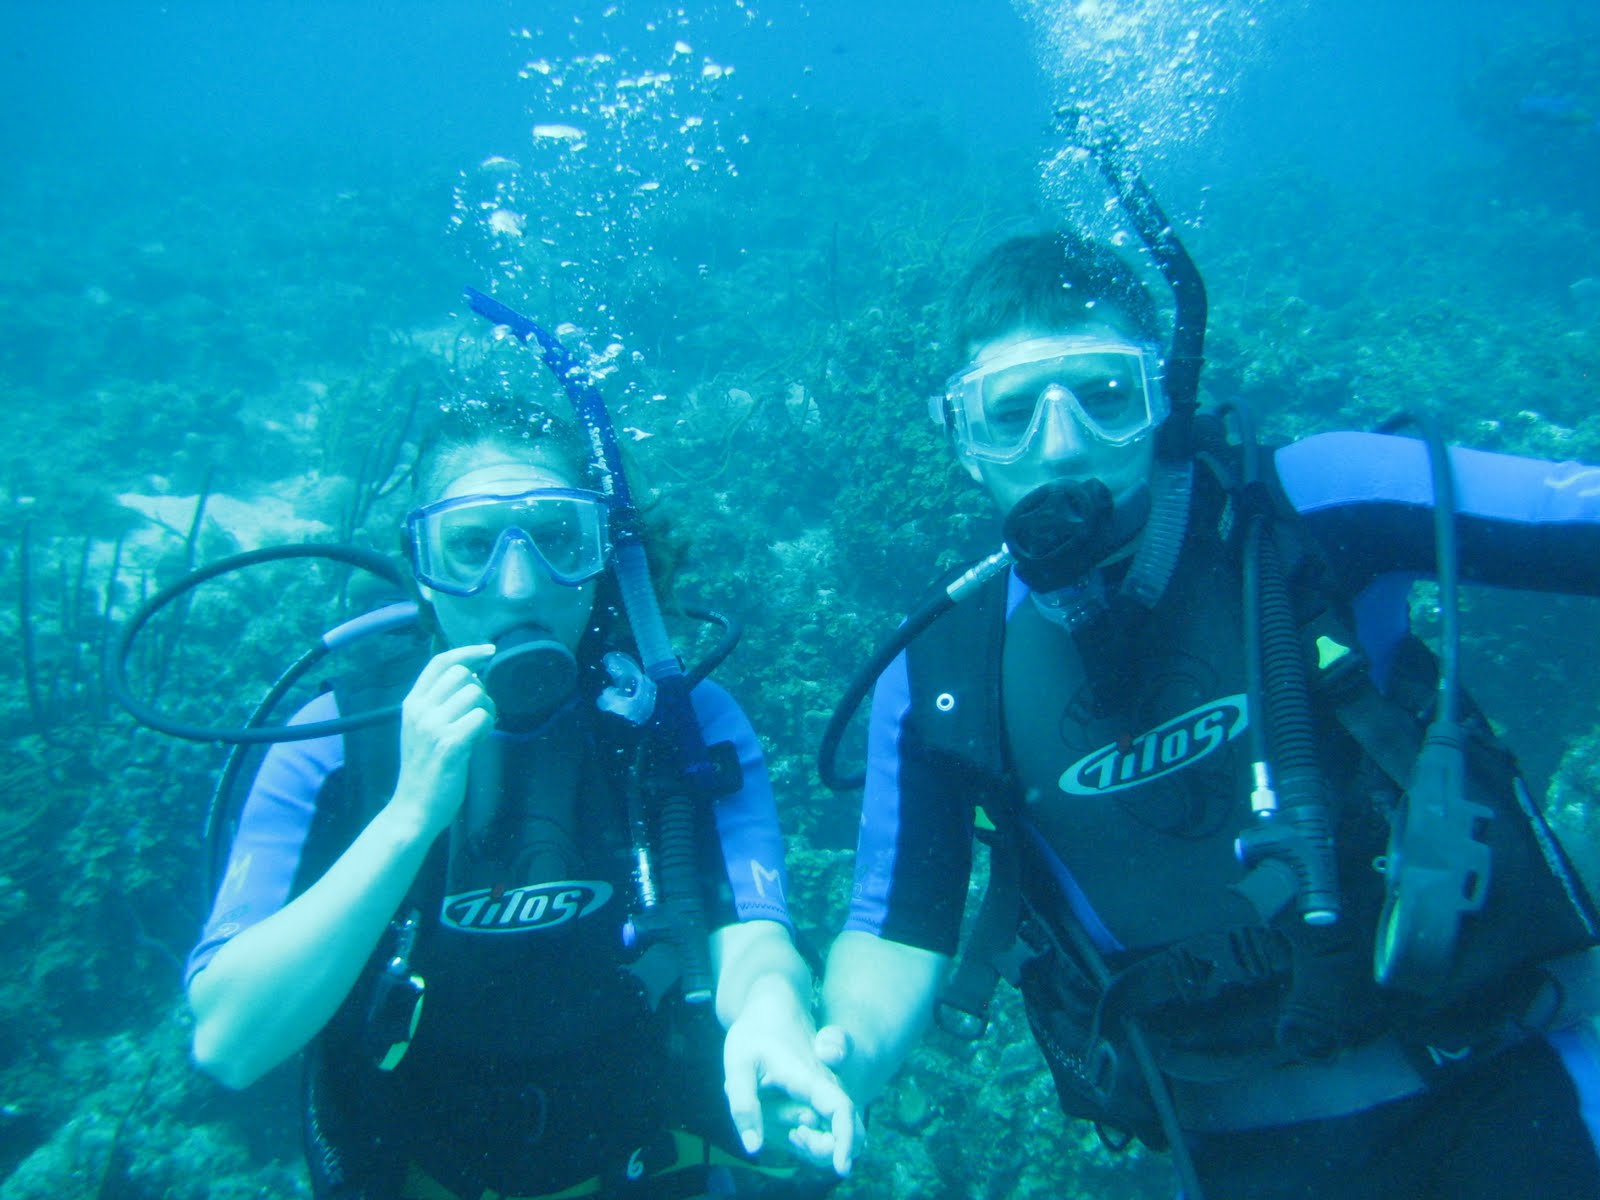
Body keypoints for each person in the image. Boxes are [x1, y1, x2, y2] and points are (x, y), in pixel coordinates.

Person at [784, 224, 1600, 1199]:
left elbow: (1570, 516)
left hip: (1520, 1099)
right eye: (1008, 413)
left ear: (1162, 397)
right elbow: (895, 927)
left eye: (1104, 395)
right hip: (1231, 1162)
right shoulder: (942, 669)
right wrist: (849, 1061)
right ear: (963, 443)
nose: (1060, 445)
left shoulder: (1314, 505)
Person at [185, 397, 854, 1200]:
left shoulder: (683, 723)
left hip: (643, 1163)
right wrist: (408, 817)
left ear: (606, 556)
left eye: (558, 538)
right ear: (422, 569)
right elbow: (230, 1041)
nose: (517, 584)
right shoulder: (331, 743)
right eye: (469, 545)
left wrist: (774, 1011)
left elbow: (750, 932)